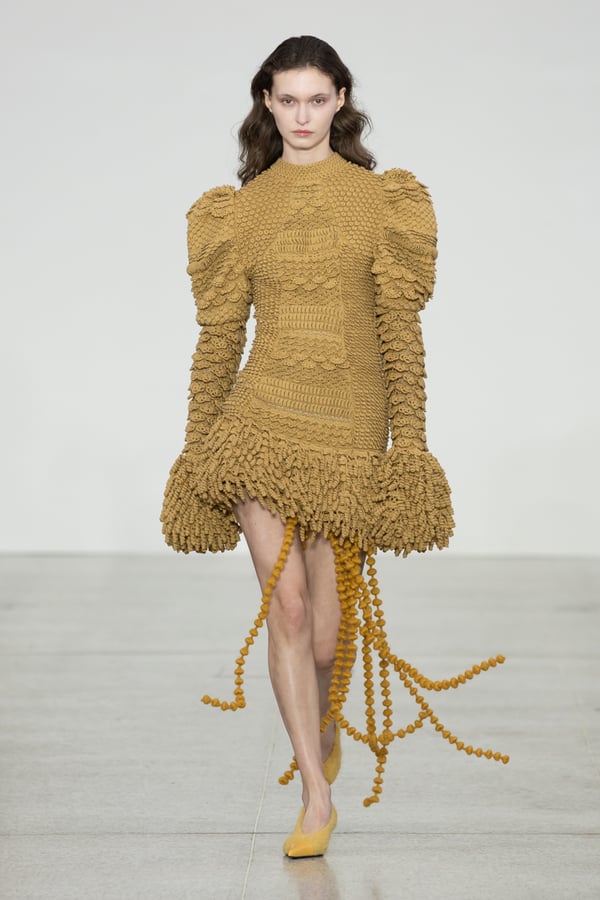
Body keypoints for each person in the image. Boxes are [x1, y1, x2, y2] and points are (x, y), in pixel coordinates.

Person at [161, 35, 508, 859]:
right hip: (257, 422)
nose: (303, 115)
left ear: (341, 100)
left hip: (350, 431)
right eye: (288, 99)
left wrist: (409, 448)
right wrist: (196, 450)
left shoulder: (383, 203)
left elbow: (400, 334)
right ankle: (315, 795)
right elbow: (220, 338)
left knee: (325, 638)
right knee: (285, 610)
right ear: (267, 103)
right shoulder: (239, 212)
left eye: (317, 99)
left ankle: (319, 735)